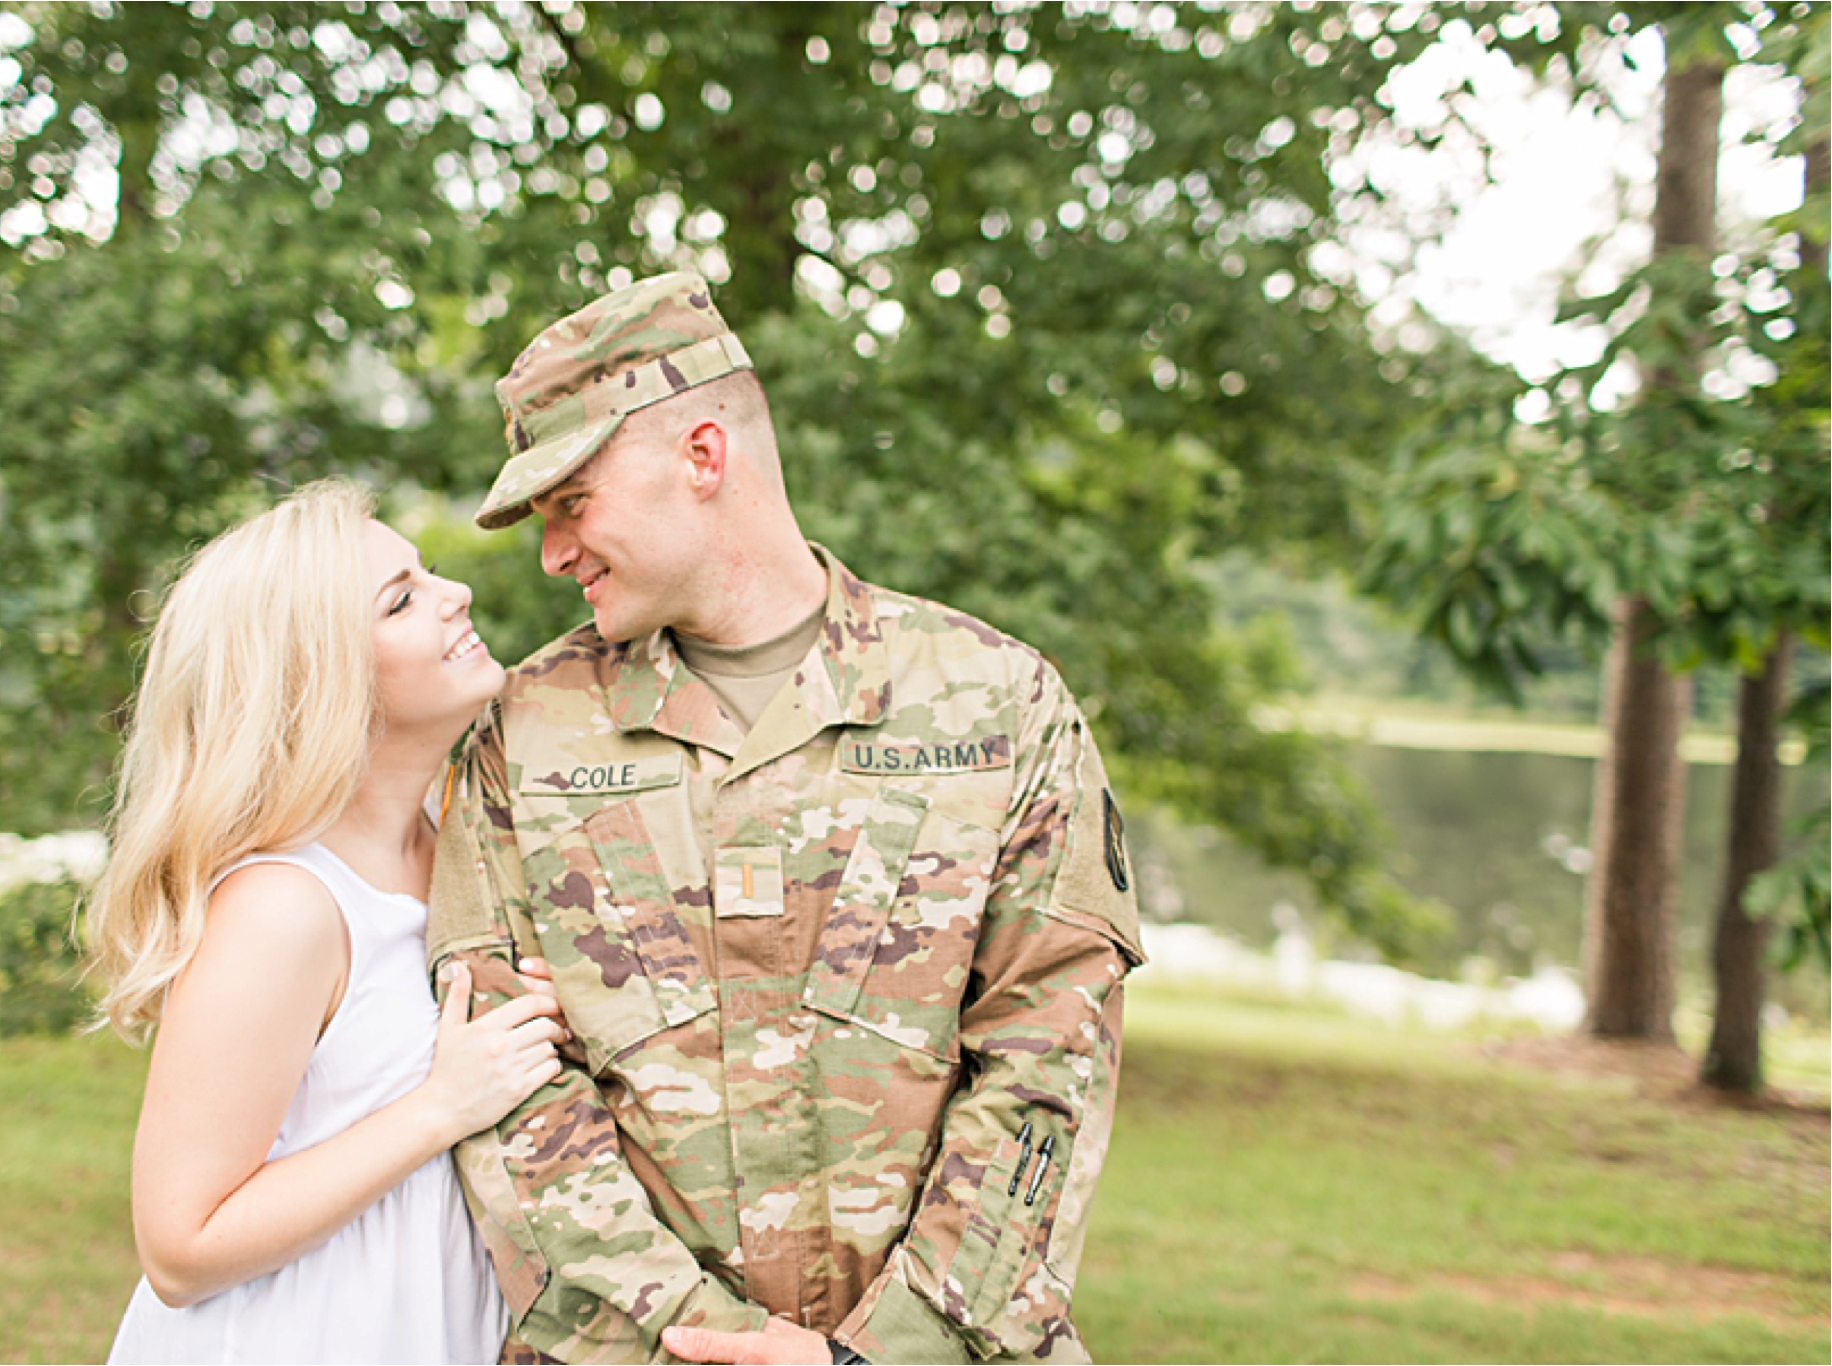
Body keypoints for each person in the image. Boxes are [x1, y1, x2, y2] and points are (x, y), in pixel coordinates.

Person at [425, 274, 1146, 1365]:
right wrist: (693, 1342)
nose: (550, 553)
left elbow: (1051, 1057)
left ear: (701, 457)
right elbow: (503, 1093)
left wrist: (885, 1351)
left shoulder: (998, 702)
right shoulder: (520, 736)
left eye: (571, 503)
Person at [87, 479, 568, 1364]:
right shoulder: (284, 909)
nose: (453, 594)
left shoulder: (464, 852)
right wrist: (440, 1107)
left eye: (425, 574)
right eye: (402, 599)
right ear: (321, 678)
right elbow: (180, 1249)